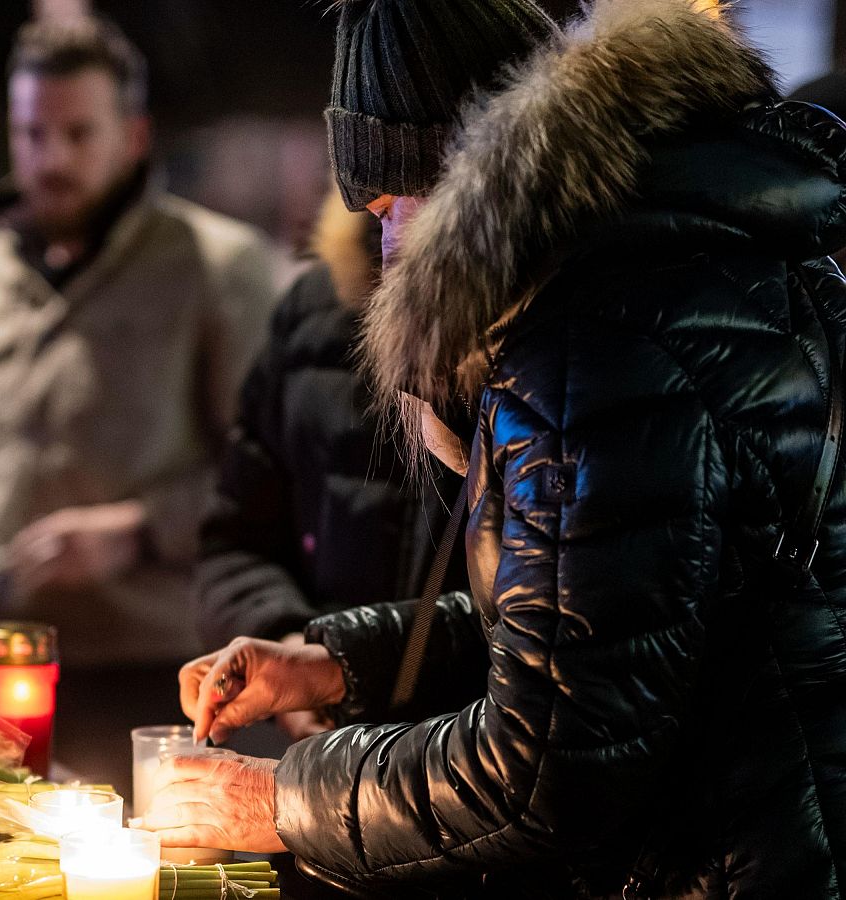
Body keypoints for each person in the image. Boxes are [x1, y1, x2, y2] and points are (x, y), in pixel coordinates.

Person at [141, 0, 846, 896]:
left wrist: (281, 799)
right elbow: (603, 614)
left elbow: (552, 764)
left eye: (393, 204)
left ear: (465, 180)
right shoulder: (671, 264)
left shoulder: (589, 341)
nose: (385, 246)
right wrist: (339, 663)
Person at [0, 16, 275, 790]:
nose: (50, 158)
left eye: (77, 133)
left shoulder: (214, 267)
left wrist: (135, 532)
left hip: (159, 679)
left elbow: (264, 474)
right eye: (30, 134)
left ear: (133, 136)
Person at [195, 189, 468, 742]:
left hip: (473, 756)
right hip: (328, 758)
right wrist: (292, 642)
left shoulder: (521, 323)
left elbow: (535, 615)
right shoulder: (312, 315)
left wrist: (332, 666)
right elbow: (235, 540)